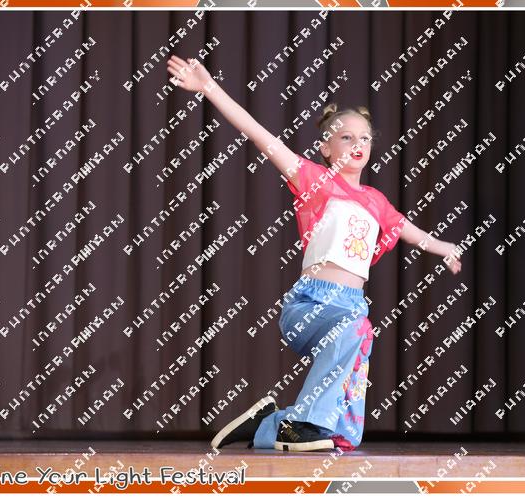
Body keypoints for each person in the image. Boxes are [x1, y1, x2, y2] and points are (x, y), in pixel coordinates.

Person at [166, 55, 462, 452]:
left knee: (343, 432)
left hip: (351, 309)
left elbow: (409, 231)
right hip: (311, 305)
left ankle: (269, 424)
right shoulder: (315, 181)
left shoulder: (376, 201)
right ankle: (305, 422)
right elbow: (258, 134)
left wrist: (445, 248)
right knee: (355, 329)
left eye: (364, 139)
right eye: (346, 138)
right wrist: (208, 87)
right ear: (325, 148)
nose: (358, 145)